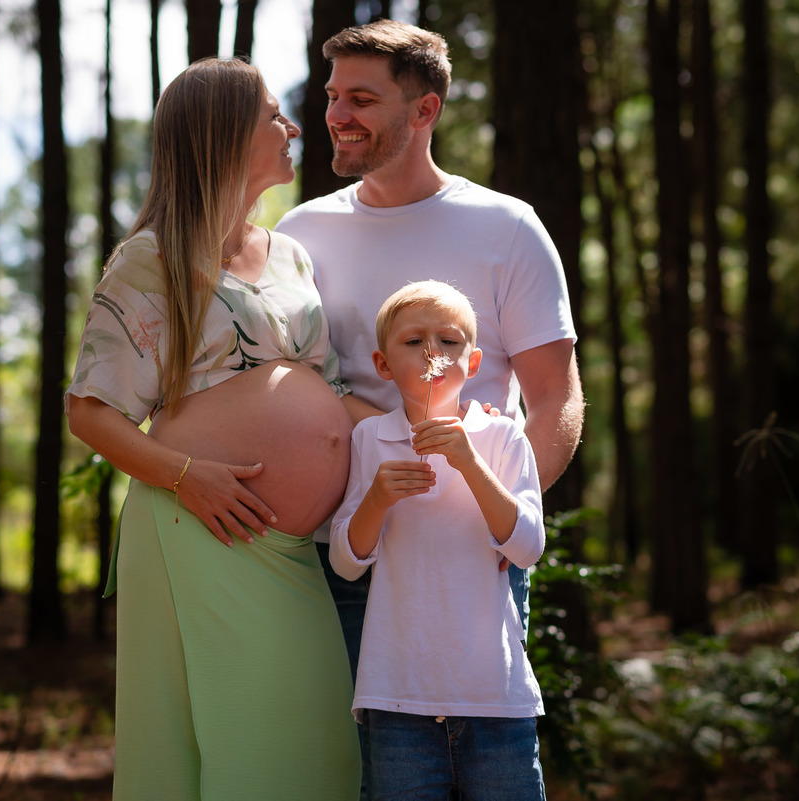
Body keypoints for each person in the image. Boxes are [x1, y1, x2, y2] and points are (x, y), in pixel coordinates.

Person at [65, 58, 361, 800]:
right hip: (201, 521)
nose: (293, 127)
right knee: (238, 751)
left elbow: (318, 392)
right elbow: (90, 409)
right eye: (272, 115)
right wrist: (186, 476)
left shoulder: (290, 254)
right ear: (224, 134)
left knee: (317, 750)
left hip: (288, 542)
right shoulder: (151, 259)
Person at [276, 17, 583, 681]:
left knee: (483, 760)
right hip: (348, 550)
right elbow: (288, 384)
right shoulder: (300, 234)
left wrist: (506, 516)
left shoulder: (507, 228)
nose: (336, 115)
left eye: (361, 99)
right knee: (365, 773)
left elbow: (556, 396)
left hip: (469, 552)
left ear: (425, 110)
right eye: (333, 96)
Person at [330, 280, 548, 800]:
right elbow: (345, 562)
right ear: (383, 365)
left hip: (494, 697)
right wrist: (377, 500)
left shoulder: (502, 438)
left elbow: (526, 547)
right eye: (414, 342)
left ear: (473, 363)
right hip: (397, 698)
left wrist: (469, 462)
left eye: (449, 342)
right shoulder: (370, 439)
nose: (433, 353)